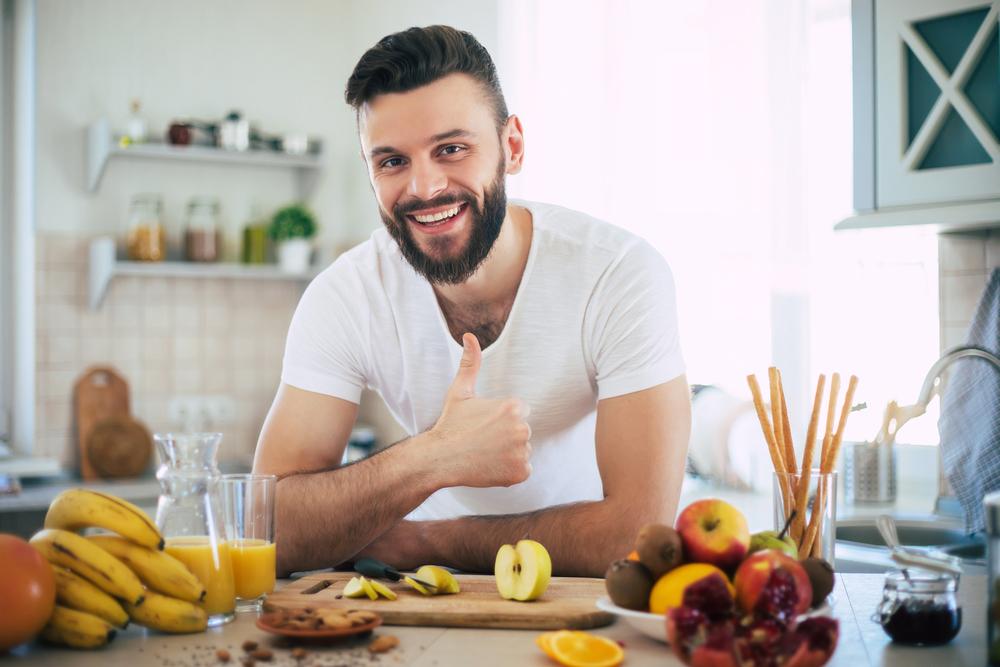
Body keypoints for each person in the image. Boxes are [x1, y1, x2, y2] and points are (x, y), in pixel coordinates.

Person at [254, 25, 691, 577]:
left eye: (452, 149)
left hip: (584, 597)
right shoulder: (346, 294)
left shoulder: (618, 272)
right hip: (428, 601)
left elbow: (638, 535)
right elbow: (266, 529)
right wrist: (433, 456)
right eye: (391, 161)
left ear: (512, 147)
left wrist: (419, 543)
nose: (425, 187)